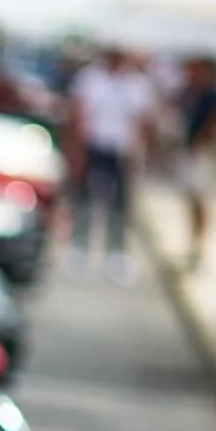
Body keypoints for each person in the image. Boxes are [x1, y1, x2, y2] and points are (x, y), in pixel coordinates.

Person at [66, 46, 159, 283]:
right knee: (85, 199)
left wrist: (140, 156)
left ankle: (116, 253)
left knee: (120, 204)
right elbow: (77, 114)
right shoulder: (90, 77)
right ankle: (79, 249)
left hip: (122, 151)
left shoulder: (138, 84)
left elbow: (143, 122)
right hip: (94, 146)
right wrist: (76, 151)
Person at [176, 56, 216, 268]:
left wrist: (205, 140)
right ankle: (193, 242)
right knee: (192, 199)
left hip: (203, 152)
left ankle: (199, 245)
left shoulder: (214, 94)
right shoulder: (194, 92)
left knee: (200, 199)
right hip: (193, 150)